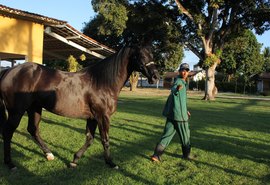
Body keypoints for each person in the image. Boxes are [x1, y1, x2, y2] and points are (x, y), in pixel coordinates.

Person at [151, 63, 195, 162]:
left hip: (172, 114)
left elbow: (181, 100)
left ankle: (156, 155)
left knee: (167, 135)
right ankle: (186, 155)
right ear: (179, 71)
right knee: (185, 136)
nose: (184, 72)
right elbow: (174, 89)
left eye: (186, 70)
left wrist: (186, 110)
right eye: (183, 70)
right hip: (179, 116)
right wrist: (176, 89)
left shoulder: (183, 82)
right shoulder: (179, 82)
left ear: (188, 72)